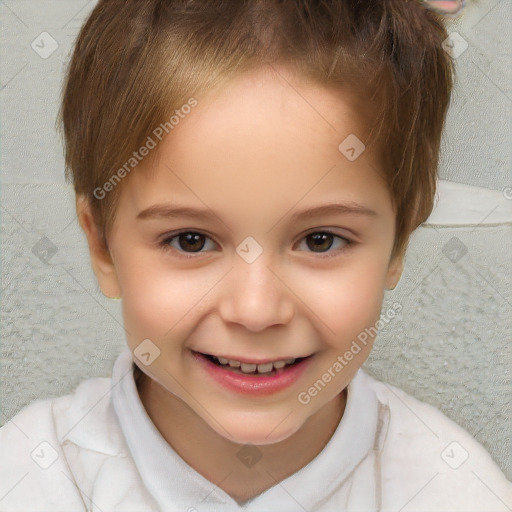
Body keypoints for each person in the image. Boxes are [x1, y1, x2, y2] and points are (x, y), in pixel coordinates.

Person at [1, 1, 510, 510]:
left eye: (320, 240)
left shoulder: (453, 489)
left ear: (399, 239)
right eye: (190, 240)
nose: (256, 310)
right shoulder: (30, 478)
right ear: (101, 246)